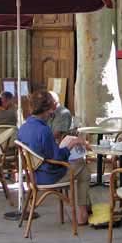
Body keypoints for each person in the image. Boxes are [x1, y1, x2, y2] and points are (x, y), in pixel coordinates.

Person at [18, 90, 91, 224]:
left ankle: (84, 211)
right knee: (83, 167)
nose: (52, 113)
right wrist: (71, 144)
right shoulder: (44, 130)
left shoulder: (23, 127)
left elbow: (45, 153)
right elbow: (57, 158)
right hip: (49, 176)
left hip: (34, 174)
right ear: (46, 110)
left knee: (80, 167)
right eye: (51, 110)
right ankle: (82, 213)